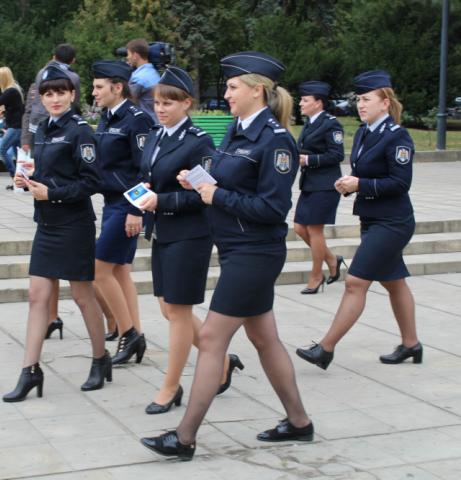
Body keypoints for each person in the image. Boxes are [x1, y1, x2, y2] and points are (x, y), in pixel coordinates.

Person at [141, 52, 314, 460]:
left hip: (256, 252)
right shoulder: (238, 129)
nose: (227, 92)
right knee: (263, 337)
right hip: (236, 248)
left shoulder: (276, 140)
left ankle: (184, 437)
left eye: (234, 87)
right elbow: (229, 179)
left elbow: (273, 209)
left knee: (215, 338)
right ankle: (300, 423)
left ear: (258, 90)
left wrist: (215, 194)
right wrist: (197, 180)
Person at [296, 70, 421, 370]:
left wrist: (360, 184)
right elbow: (368, 172)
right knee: (394, 283)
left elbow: (401, 183)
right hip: (372, 218)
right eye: (359, 100)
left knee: (354, 283)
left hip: (393, 221)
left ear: (385, 104)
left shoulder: (398, 135)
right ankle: (411, 344)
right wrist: (350, 182)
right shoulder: (366, 131)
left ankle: (325, 348)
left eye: (367, 99)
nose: (360, 105)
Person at [136, 66, 239, 416]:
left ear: (186, 103)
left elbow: (205, 195)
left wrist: (161, 200)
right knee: (168, 308)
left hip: (190, 234)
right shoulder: (155, 134)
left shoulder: (199, 142)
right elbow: (147, 174)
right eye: (156, 103)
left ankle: (171, 386)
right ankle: (222, 358)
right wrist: (143, 193)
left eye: (168, 103)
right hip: (162, 231)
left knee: (178, 312)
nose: (161, 109)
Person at [4, 65, 109, 402]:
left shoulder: (80, 131)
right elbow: (47, 171)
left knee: (82, 297)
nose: (54, 98)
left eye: (60, 92)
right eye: (48, 93)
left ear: (72, 94)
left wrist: (52, 193)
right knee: (37, 296)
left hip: (74, 224)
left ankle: (99, 358)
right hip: (46, 224)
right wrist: (27, 178)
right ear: (41, 97)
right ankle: (30, 371)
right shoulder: (42, 129)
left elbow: (93, 182)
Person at [89, 60, 154, 367]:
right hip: (111, 203)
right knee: (119, 272)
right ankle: (136, 335)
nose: (93, 92)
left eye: (99, 86)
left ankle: (129, 334)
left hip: (127, 207)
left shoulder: (137, 119)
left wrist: (135, 210)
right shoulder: (106, 117)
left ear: (118, 87)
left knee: (98, 269)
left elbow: (146, 170)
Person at [294, 81, 346, 294]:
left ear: (319, 103)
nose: (300, 104)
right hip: (310, 184)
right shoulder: (309, 122)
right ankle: (333, 260)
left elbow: (337, 155)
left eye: (305, 100)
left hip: (325, 185)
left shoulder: (331, 123)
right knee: (299, 228)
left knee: (314, 230)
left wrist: (309, 160)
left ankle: (317, 276)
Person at [20, 44, 82, 155]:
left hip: (37, 124)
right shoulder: (73, 77)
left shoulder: (41, 73)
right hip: (61, 126)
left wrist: (25, 137)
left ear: (54, 57)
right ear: (73, 60)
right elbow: (74, 103)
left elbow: (30, 105)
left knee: (38, 163)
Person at [126, 38, 161, 123]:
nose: (127, 57)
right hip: (157, 122)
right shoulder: (153, 72)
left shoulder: (139, 78)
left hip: (147, 125)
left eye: (128, 54)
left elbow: (123, 100)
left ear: (135, 55)